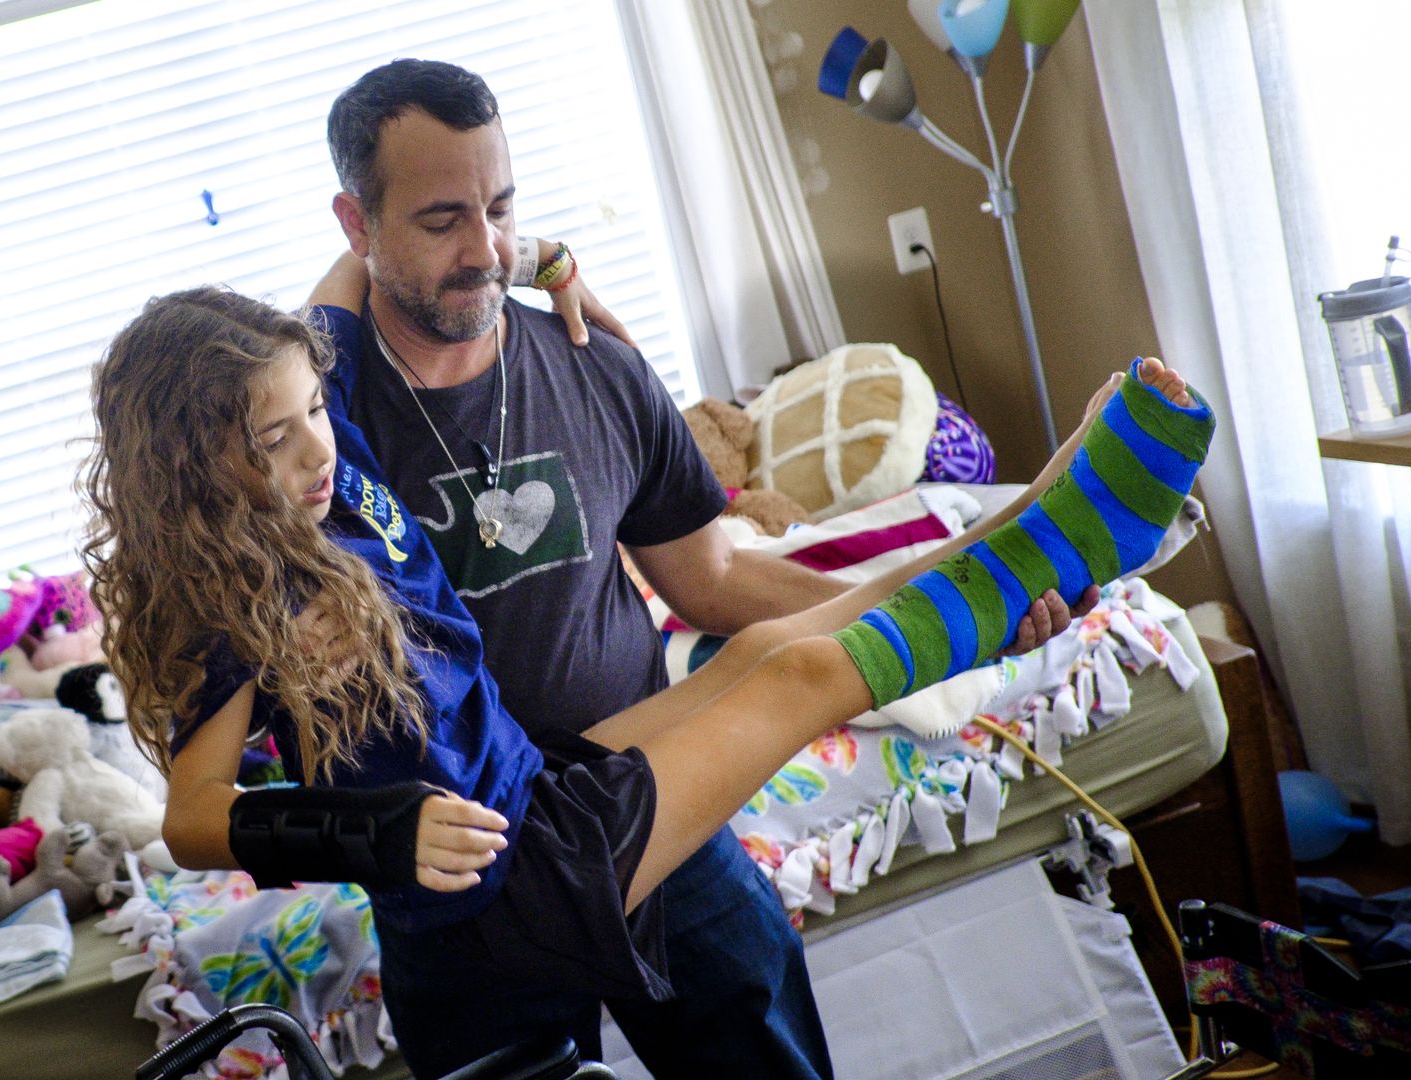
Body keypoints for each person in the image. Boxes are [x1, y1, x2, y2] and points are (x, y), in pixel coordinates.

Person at [80, 280, 1212, 1078]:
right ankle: (1047, 548)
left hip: (541, 789)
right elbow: (192, 818)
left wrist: (539, 266)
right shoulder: (217, 602)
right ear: (191, 468)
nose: (315, 449)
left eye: (314, 410)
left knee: (776, 643)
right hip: (498, 892)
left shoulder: (340, 464)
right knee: (798, 679)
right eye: (273, 439)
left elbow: (378, 258)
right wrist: (374, 833)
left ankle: (1032, 528)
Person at [309, 58, 1096, 1076]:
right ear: (354, 223)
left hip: (655, 806)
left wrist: (939, 608)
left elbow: (717, 584)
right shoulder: (317, 428)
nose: (486, 249)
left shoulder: (595, 365)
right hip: (467, 881)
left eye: (503, 208)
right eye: (441, 219)